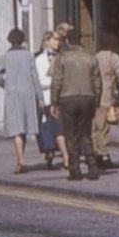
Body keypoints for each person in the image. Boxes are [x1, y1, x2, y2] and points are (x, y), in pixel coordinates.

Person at [50, 28, 103, 181]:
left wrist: (54, 101)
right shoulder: (91, 58)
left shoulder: (62, 58)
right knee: (86, 133)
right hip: (87, 98)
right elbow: (97, 82)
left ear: (67, 40)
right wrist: (96, 100)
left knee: (71, 135)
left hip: (68, 98)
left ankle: (75, 169)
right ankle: (92, 166)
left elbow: (57, 81)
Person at [0, 29, 41, 174]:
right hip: (27, 94)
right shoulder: (29, 56)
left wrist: (5, 84)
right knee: (24, 129)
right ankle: (21, 159)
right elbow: (35, 78)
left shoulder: (5, 57)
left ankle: (20, 160)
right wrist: (40, 97)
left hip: (12, 94)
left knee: (16, 129)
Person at [34, 31, 67, 169]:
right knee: (48, 128)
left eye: (58, 40)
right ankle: (51, 152)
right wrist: (55, 81)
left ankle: (65, 156)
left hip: (61, 98)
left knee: (59, 128)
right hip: (47, 98)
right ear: (47, 41)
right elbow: (39, 81)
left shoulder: (62, 57)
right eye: (54, 40)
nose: (57, 43)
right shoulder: (39, 60)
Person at [92, 32, 119, 170]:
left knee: (94, 127)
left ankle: (96, 153)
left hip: (94, 96)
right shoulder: (114, 57)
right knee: (103, 127)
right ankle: (104, 154)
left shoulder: (95, 57)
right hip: (106, 96)